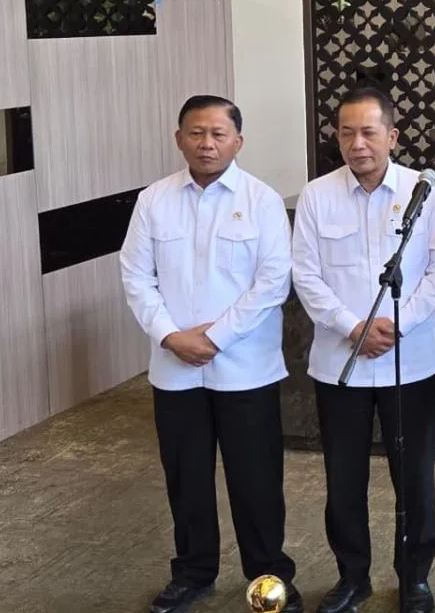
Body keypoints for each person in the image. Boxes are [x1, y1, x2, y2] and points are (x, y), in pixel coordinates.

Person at [120, 95, 302, 613]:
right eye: (196, 133)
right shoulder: (153, 200)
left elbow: (273, 282)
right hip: (175, 369)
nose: (207, 144)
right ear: (179, 139)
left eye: (218, 134)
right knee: (187, 479)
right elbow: (136, 276)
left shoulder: (262, 200)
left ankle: (269, 577)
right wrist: (170, 335)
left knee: (257, 481)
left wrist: (216, 337)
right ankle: (193, 572)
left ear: (238, 142)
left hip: (246, 368)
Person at [291, 86, 435, 613]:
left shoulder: (425, 191)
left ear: (392, 135)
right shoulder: (316, 195)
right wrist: (352, 326)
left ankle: (415, 579)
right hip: (340, 364)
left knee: (414, 479)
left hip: (410, 362)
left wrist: (395, 324)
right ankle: (352, 577)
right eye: (347, 133)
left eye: (368, 132)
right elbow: (305, 274)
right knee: (344, 479)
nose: (357, 143)